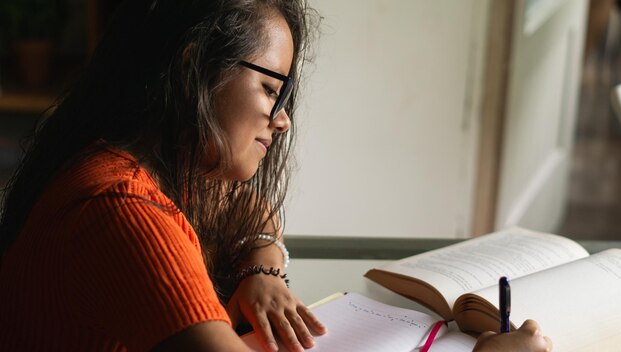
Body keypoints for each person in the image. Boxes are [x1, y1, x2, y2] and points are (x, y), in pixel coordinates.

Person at [0, 0, 551, 351]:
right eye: (270, 90)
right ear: (195, 67)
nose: (282, 119)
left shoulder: (171, 162)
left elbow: (252, 216)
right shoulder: (122, 208)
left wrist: (260, 271)